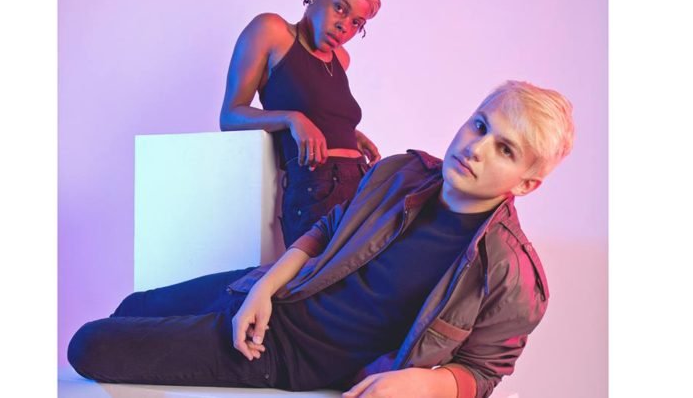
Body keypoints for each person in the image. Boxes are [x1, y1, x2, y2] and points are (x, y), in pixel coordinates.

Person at [69, 80, 575, 398]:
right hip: (274, 293)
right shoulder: (401, 173)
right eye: (480, 125)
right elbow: (326, 230)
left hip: (285, 356)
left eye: (505, 149)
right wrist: (264, 287)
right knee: (130, 307)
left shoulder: (511, 275)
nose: (476, 148)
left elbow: (483, 372)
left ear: (526, 184)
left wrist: (422, 383)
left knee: (89, 345)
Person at [219, 0, 384, 247]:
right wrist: (292, 119)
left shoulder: (341, 59)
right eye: (340, 8)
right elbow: (230, 116)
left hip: (361, 185)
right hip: (316, 191)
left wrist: (351, 134)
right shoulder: (271, 31)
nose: (344, 26)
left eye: (357, 23)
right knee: (320, 277)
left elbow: (319, 111)